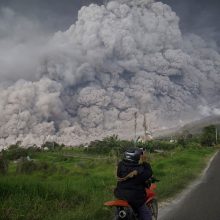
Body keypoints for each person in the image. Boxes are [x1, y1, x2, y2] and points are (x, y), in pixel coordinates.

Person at [114, 147, 153, 220]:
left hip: (120, 195)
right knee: (147, 215)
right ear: (136, 157)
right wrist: (145, 162)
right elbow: (149, 173)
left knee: (119, 213)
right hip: (134, 198)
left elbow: (119, 175)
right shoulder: (140, 170)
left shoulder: (121, 165)